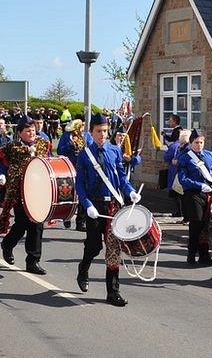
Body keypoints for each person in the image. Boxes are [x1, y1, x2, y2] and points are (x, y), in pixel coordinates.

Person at [74, 113, 140, 306]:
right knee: (94, 246)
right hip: (95, 205)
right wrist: (87, 205)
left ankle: (113, 292)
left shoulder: (114, 150)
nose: (102, 135)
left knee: (114, 249)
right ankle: (83, 268)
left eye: (104, 131)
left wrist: (131, 192)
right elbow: (79, 185)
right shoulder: (85, 155)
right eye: (98, 131)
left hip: (113, 204)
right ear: (91, 132)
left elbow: (121, 177)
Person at [0, 116, 53, 274]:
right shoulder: (11, 147)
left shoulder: (42, 144)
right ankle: (7, 244)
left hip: (39, 190)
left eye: (33, 130)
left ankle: (33, 260)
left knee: (37, 224)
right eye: (27, 130)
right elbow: (0, 163)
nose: (31, 133)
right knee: (22, 224)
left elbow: (49, 162)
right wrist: (1, 175)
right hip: (19, 190)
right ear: (19, 132)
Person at [177, 129, 212, 266]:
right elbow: (183, 179)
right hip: (193, 193)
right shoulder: (185, 157)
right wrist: (200, 185)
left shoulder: (209, 155)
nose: (199, 145)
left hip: (209, 193)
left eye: (201, 142)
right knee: (196, 223)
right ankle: (191, 253)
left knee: (206, 225)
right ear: (190, 142)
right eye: (196, 142)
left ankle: (204, 255)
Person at [58, 119, 88, 231]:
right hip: (69, 167)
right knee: (69, 193)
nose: (81, 128)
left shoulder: (85, 136)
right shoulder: (66, 136)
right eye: (80, 126)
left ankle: (81, 222)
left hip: (81, 168)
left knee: (82, 194)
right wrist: (69, 146)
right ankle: (67, 216)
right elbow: (60, 150)